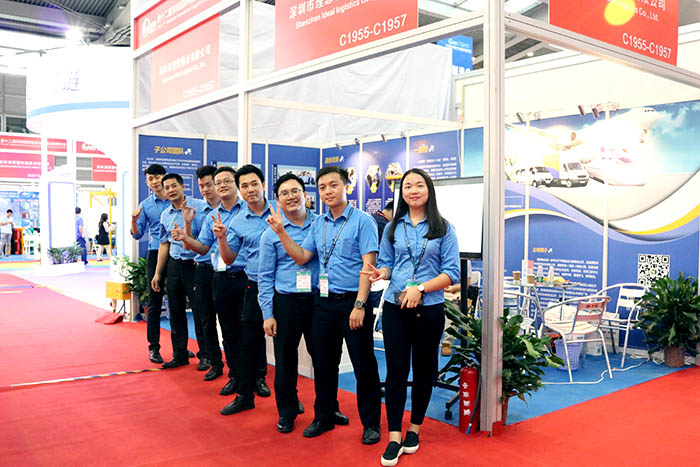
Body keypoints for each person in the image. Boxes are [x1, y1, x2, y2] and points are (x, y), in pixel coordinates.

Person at [266, 165, 382, 445]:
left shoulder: (363, 221)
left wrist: (359, 304)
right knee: (325, 364)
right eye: (322, 187)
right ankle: (324, 416)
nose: (328, 191)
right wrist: (281, 232)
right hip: (323, 303)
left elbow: (369, 266)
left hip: (353, 302)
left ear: (346, 187)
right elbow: (302, 257)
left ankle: (371, 424)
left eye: (333, 185)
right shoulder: (319, 224)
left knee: (363, 364)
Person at [363, 168, 460, 466]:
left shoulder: (443, 228)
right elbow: (389, 264)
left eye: (419, 185)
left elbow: (452, 273)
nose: (413, 190)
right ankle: (394, 435)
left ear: (429, 190)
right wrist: (382, 273)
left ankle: (414, 429)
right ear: (401, 192)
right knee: (395, 370)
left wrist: (420, 288)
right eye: (407, 186)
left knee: (423, 370)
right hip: (396, 306)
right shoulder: (393, 227)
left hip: (429, 309)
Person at [258, 173, 348, 434]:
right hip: (287, 302)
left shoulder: (322, 224)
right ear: (277, 200)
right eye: (284, 193)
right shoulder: (270, 234)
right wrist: (268, 314)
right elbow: (265, 277)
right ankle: (287, 411)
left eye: (295, 191)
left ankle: (329, 408)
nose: (291, 197)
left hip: (319, 300)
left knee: (325, 358)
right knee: (285, 360)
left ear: (305, 195)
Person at [175, 166, 246, 389]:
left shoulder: (247, 210)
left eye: (226, 182)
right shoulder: (207, 214)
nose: (209, 188)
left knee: (246, 326)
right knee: (213, 321)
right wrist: (185, 234)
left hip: (245, 274)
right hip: (212, 271)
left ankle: (256, 375)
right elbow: (202, 247)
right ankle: (223, 366)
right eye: (206, 185)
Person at [214, 164, 273, 415]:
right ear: (240, 190)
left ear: (263, 185)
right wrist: (221, 238)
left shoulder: (280, 210)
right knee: (248, 341)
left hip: (283, 287)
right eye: (245, 186)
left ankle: (290, 399)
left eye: (254, 184)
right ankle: (245, 395)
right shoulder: (238, 222)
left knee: (286, 344)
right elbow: (228, 259)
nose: (250, 190)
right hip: (255, 285)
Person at [151, 173, 209, 369]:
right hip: (175, 264)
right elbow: (164, 244)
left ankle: (205, 355)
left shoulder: (200, 207)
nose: (171, 190)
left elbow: (205, 240)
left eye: (174, 186)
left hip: (195, 264)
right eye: (167, 188)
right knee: (175, 311)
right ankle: (180, 354)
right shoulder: (165, 215)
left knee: (200, 312)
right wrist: (158, 273)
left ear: (183, 187)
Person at [173, 165, 219, 372]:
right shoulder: (198, 210)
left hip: (229, 272)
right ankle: (212, 360)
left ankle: (242, 368)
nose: (205, 189)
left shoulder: (234, 210)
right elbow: (191, 246)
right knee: (205, 318)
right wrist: (187, 226)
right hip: (204, 268)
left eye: (209, 184)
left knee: (232, 322)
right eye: (201, 186)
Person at [131, 164, 171, 364]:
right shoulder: (146, 205)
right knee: (154, 302)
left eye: (157, 177)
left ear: (164, 177)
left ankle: (180, 347)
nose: (154, 181)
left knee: (178, 301)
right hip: (155, 252)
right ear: (147, 182)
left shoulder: (177, 199)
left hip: (178, 252)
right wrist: (133, 221)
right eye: (150, 179)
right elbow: (137, 234)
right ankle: (154, 347)